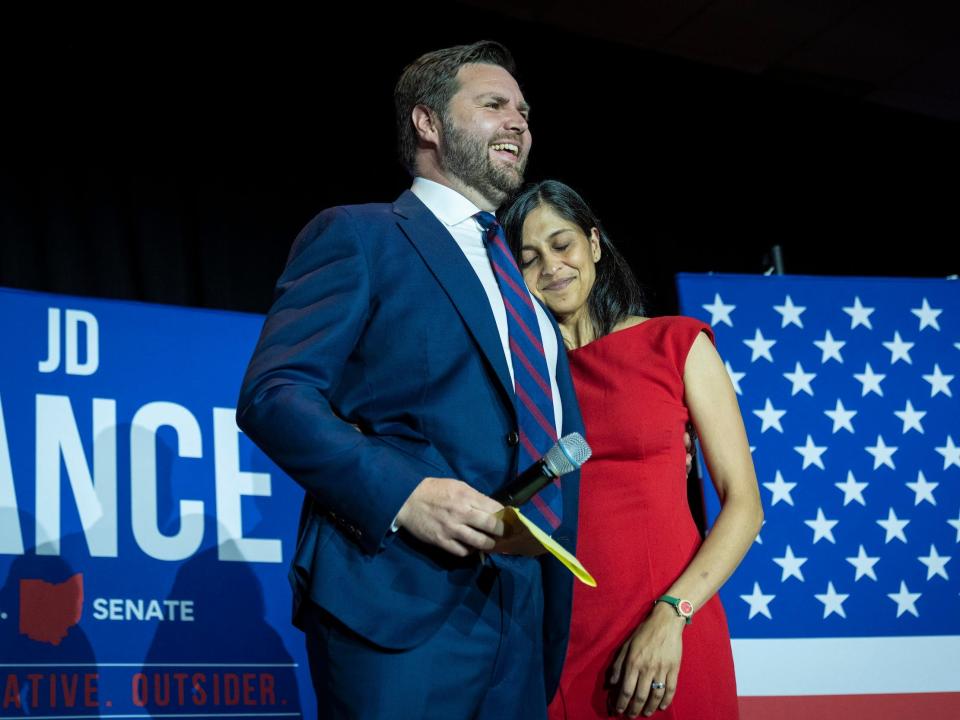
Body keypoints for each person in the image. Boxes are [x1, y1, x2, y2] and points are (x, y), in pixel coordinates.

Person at [236, 43, 586, 719]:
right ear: (429, 123)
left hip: (520, 614)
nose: (519, 122)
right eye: (493, 105)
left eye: (524, 111)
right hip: (396, 602)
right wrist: (407, 493)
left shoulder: (526, 284)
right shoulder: (360, 236)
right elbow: (273, 394)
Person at [501, 180, 764, 719]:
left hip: (669, 629)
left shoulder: (676, 343)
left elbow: (744, 504)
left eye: (562, 243)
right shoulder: (519, 380)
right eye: (529, 258)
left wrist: (673, 613)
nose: (551, 265)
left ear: (594, 244)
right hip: (557, 638)